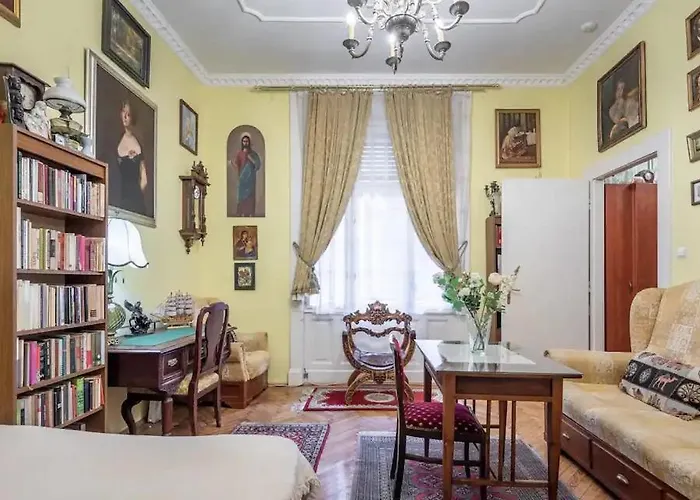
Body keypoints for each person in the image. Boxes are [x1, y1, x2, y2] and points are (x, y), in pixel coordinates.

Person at [116, 100, 149, 216]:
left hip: (135, 202)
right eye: (123, 112)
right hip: (117, 200)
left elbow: (144, 179)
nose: (125, 117)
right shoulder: (115, 138)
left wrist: (137, 195)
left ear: (133, 117)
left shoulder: (138, 143)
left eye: (129, 114)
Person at [231, 133, 262, 216]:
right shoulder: (239, 154)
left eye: (247, 141)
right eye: (244, 141)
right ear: (242, 142)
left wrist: (251, 159)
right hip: (242, 180)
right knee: (241, 198)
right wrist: (232, 164)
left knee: (250, 197)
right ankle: (241, 213)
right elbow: (237, 166)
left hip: (251, 180)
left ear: (249, 142)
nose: (245, 143)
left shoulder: (253, 154)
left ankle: (250, 214)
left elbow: (258, 165)